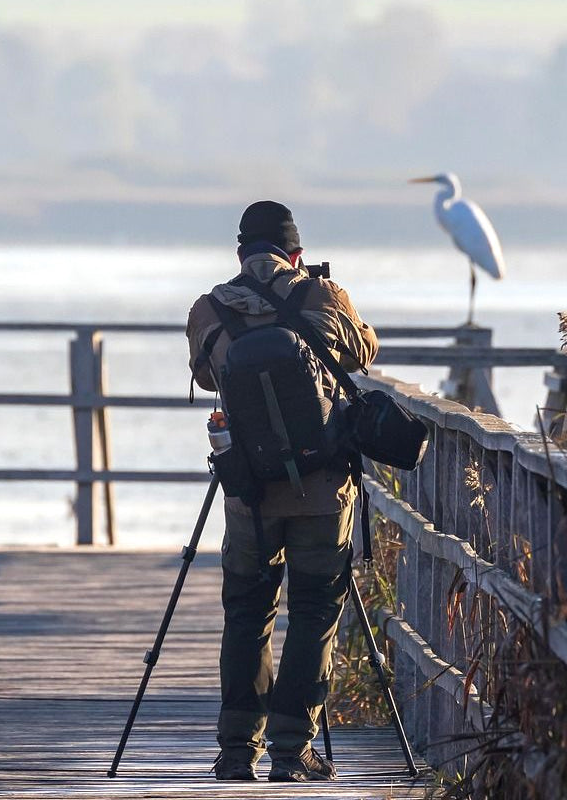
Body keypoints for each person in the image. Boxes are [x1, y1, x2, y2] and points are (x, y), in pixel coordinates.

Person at [186, 200, 379, 782]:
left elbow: (204, 376)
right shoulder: (324, 298)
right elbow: (364, 352)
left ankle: (236, 751)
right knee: (316, 609)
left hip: (249, 489)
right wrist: (323, 295)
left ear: (240, 254)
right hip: (322, 486)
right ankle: (293, 752)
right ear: (296, 254)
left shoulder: (209, 308)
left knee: (247, 610)